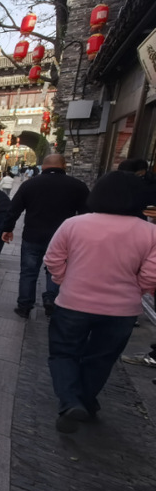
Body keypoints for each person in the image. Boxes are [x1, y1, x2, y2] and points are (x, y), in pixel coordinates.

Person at [43, 171, 156, 432]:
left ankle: (71, 401)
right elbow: (151, 275)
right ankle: (85, 400)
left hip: (73, 303)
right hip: (122, 309)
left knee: (63, 353)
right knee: (101, 358)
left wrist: (64, 280)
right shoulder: (150, 232)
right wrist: (135, 290)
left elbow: (53, 259)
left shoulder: (74, 224)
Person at [1, 153, 89, 317]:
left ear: (43, 166)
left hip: (33, 235)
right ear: (64, 166)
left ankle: (25, 305)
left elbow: (14, 209)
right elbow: (87, 214)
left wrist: (7, 228)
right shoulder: (78, 186)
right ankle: (51, 300)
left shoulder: (30, 184)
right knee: (56, 270)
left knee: (29, 271)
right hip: (63, 238)